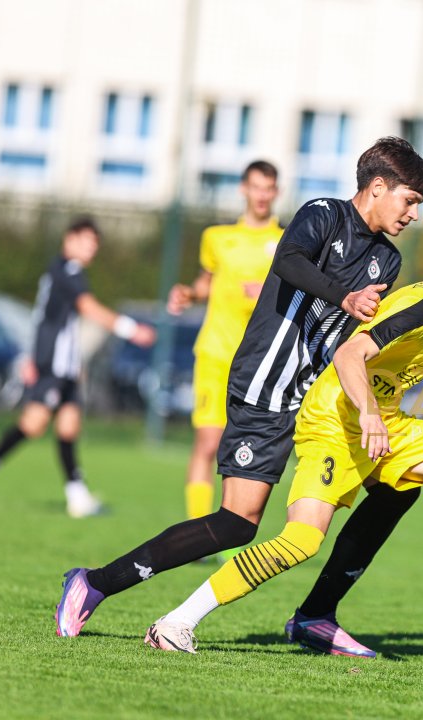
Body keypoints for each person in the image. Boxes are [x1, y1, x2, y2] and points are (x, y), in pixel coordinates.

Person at [54, 138, 423, 653]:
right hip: (264, 388)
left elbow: (351, 341)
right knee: (237, 523)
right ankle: (95, 583)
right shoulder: (323, 215)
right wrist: (342, 296)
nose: (413, 214)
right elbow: (289, 260)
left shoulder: (386, 260)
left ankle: (317, 615)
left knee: (397, 486)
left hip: (316, 401)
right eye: (409, 200)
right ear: (378, 187)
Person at [144, 222, 423, 669]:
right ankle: (176, 622)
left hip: (385, 421)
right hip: (335, 418)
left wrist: (377, 414)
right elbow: (350, 354)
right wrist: (369, 412)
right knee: (301, 541)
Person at [0, 217, 157, 517]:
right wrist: (131, 329)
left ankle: (76, 496)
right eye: (87, 242)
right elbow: (87, 308)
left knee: (69, 426)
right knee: (34, 423)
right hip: (53, 365)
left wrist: (68, 361)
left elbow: (50, 320)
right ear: (69, 240)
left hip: (64, 366)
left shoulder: (60, 271)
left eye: (95, 244)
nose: (92, 249)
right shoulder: (69, 270)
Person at [167, 160, 282, 524]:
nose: (262, 195)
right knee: (207, 443)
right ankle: (197, 535)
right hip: (216, 353)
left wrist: (267, 291)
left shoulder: (286, 242)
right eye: (256, 186)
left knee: (245, 451)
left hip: (260, 361)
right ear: (243, 189)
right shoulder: (217, 237)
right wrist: (188, 293)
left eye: (269, 188)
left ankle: (231, 530)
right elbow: (207, 282)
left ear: (276, 192)